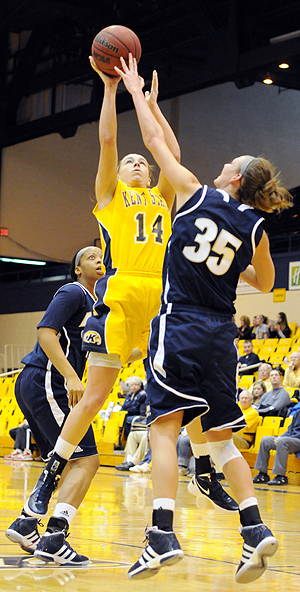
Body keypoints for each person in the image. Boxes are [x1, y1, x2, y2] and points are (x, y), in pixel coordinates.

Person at [116, 55, 292, 584]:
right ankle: (256, 529)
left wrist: (133, 91)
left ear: (234, 177)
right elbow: (266, 286)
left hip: (181, 324)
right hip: (222, 335)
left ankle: (161, 536)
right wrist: (227, 270)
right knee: (220, 441)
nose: (221, 166)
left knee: (164, 429)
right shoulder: (256, 228)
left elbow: (156, 145)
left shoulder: (195, 194)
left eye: (229, 164)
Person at [22, 59, 180, 523]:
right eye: (131, 161)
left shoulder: (163, 198)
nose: (136, 162)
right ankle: (49, 477)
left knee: (170, 402)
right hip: (123, 295)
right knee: (93, 397)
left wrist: (150, 106)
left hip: (160, 303)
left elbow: (169, 148)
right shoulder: (111, 197)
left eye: (142, 163)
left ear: (151, 175)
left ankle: (194, 482)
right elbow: (109, 140)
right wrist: (111, 89)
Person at [5, 246, 103, 565]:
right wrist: (72, 377)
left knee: (62, 460)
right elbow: (45, 332)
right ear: (76, 269)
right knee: (86, 460)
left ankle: (27, 523)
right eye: (91, 257)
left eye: (102, 256)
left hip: (38, 382)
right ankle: (55, 538)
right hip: (48, 380)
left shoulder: (99, 307)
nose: (99, 260)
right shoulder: (73, 291)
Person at [253, 408, 300, 485]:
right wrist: (280, 437)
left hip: (297, 439)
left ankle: (280, 476)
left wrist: (283, 439)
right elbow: (289, 430)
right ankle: (262, 474)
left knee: (282, 442)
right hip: (291, 439)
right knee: (265, 440)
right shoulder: (298, 412)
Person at [120, 376, 147, 441]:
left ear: (140, 385)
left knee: (126, 419)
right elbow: (124, 406)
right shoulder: (129, 395)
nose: (134, 386)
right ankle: (119, 441)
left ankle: (126, 440)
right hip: (129, 414)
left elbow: (135, 409)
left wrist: (127, 411)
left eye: (136, 384)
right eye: (132, 385)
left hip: (139, 416)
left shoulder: (142, 395)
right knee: (120, 418)